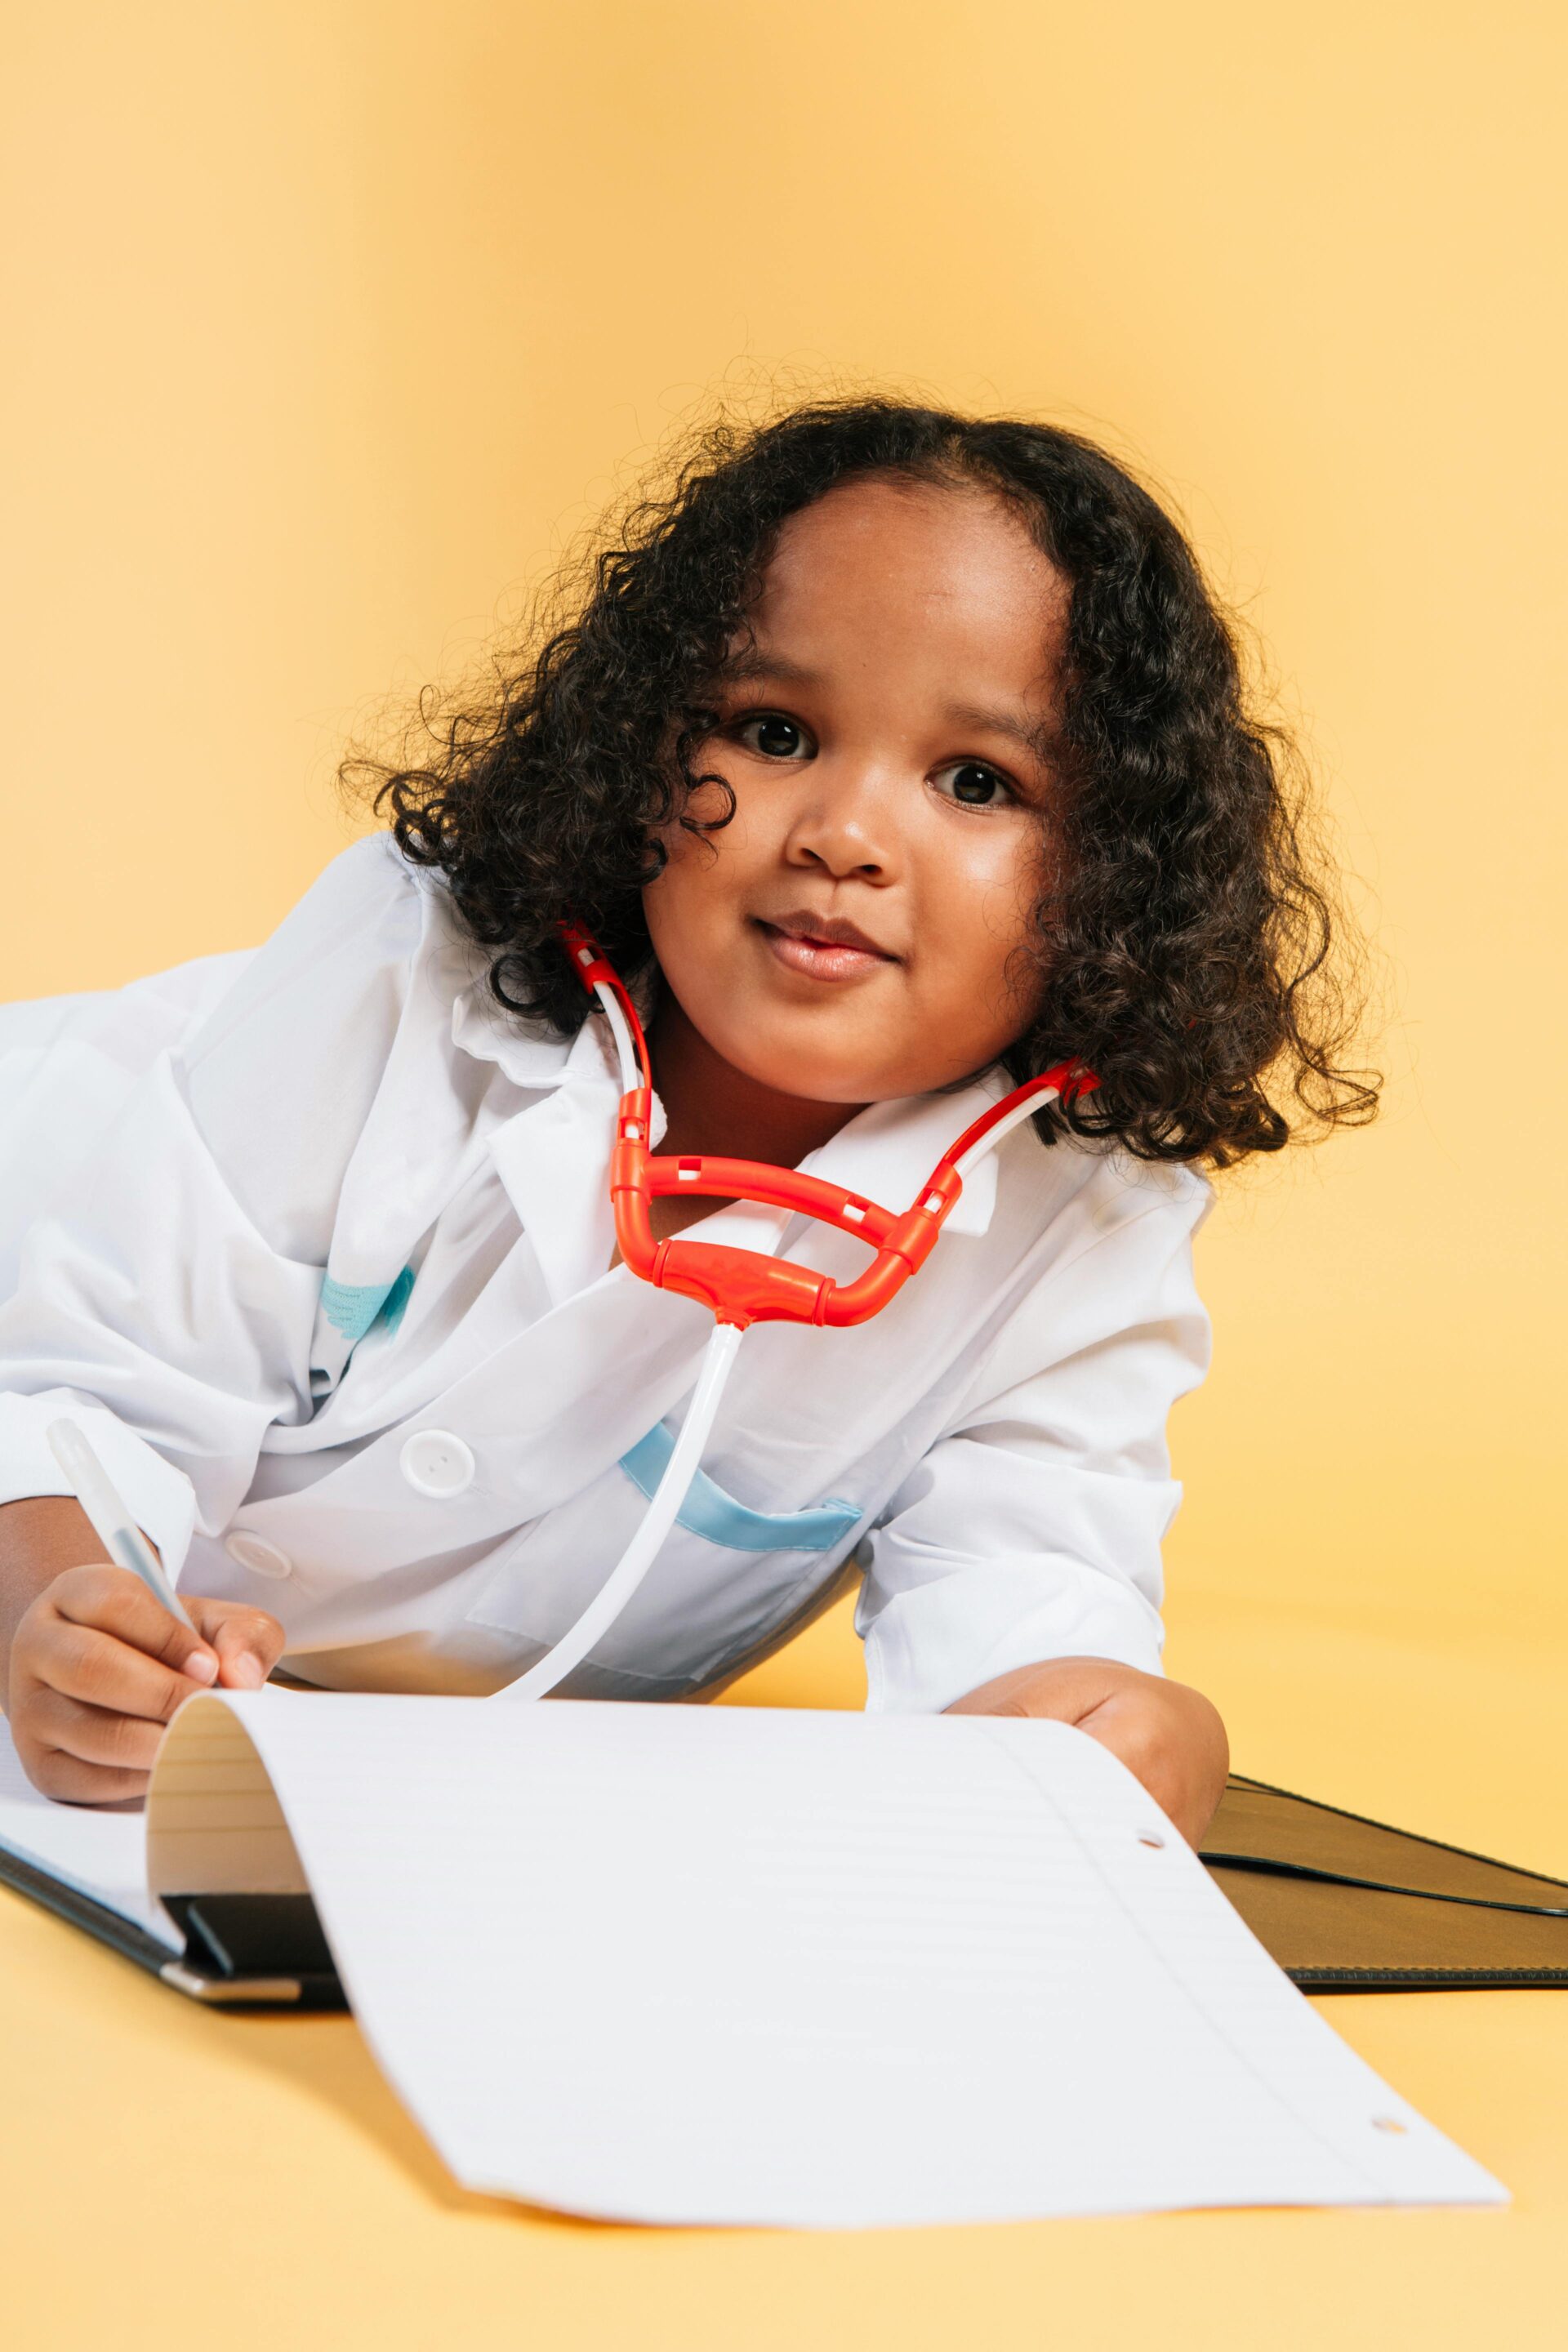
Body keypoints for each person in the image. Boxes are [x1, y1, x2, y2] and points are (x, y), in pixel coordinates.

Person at [0, 401, 1375, 1840]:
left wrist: (1123, 1717)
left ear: (1114, 874)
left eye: (977, 781)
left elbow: (1025, 1592)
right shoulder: (402, 974)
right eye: (773, 731)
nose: (841, 834)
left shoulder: (1083, 1221)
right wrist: (65, 1610)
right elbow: (85, 1385)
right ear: (640, 749)